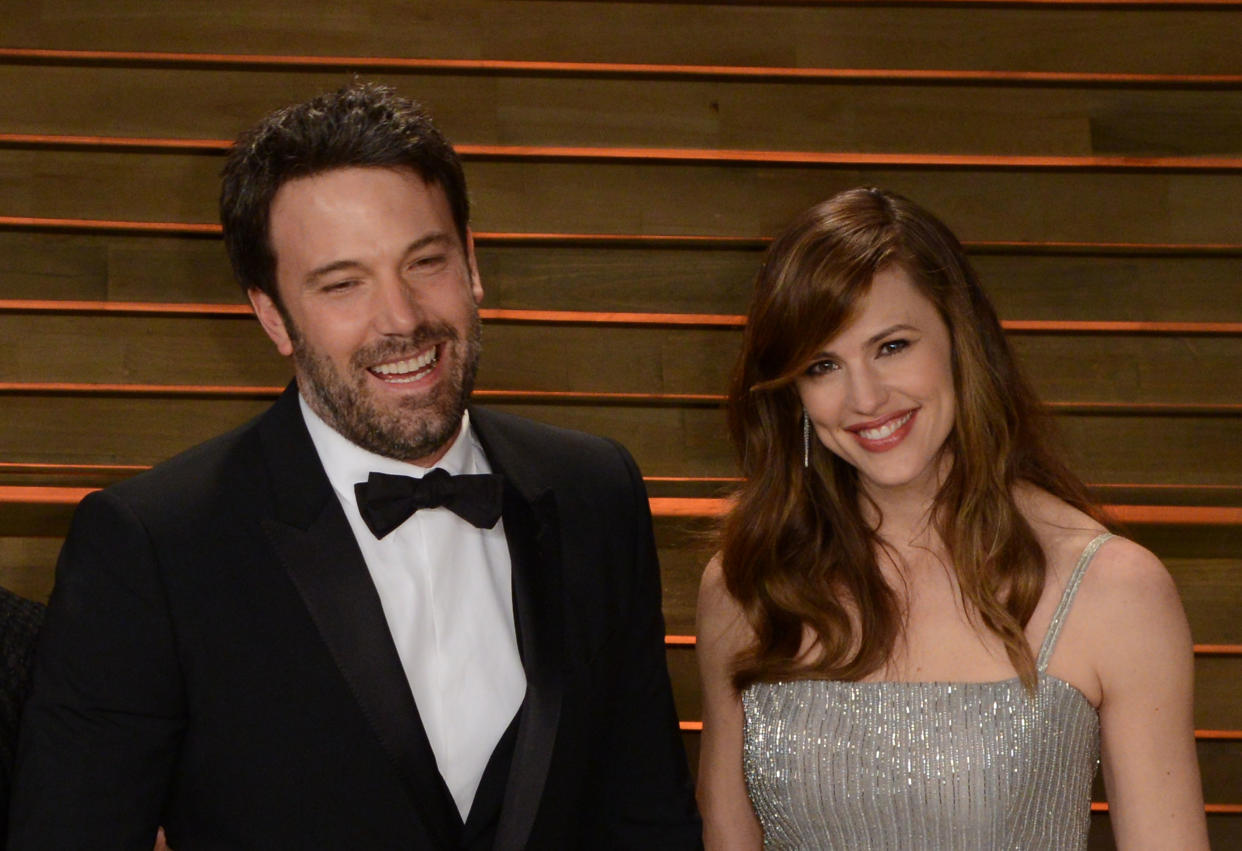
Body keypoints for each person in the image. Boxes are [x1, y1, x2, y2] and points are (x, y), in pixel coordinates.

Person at [9, 82, 700, 850]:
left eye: (425, 262)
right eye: (343, 284)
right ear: (273, 315)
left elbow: (648, 817)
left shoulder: (594, 488)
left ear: (472, 264)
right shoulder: (153, 543)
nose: (402, 319)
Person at [695, 187, 1208, 849]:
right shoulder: (745, 586)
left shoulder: (1115, 587)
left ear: (959, 339)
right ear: (793, 391)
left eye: (892, 345)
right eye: (823, 365)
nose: (866, 397)